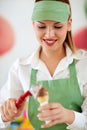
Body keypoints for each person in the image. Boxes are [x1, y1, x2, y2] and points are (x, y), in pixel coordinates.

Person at [0, 0, 87, 130]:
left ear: (69, 24)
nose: (49, 34)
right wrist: (6, 115)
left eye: (58, 27)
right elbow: (2, 117)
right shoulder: (21, 67)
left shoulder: (84, 63)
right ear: (33, 25)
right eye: (42, 26)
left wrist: (69, 116)